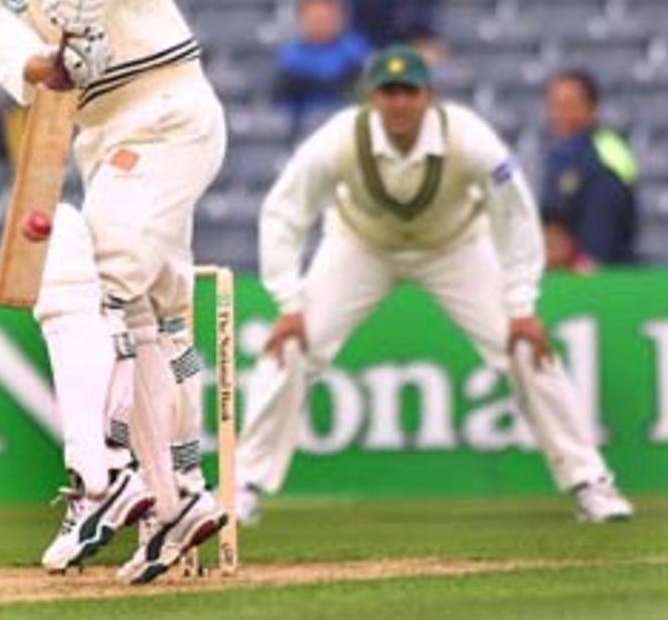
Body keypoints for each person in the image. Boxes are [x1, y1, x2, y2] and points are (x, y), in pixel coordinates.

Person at [0, 0, 229, 584]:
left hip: (170, 109)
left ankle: (101, 472)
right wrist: (53, 61)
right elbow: (14, 62)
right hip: (99, 136)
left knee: (90, 273)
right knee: (152, 314)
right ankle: (179, 502)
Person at [234, 45, 633, 527]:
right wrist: (289, 302)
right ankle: (242, 487)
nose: (399, 102)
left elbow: (516, 216)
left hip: (455, 246)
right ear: (371, 98)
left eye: (409, 91)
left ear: (429, 96)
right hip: (361, 244)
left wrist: (522, 304)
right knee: (289, 347)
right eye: (388, 92)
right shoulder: (338, 140)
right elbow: (284, 213)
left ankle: (592, 482)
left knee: (527, 348)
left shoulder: (472, 140)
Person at [541, 69, 639, 266]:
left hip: (605, 278)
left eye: (568, 105)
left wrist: (587, 261)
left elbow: (603, 226)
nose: (558, 114)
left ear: (591, 109)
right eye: (554, 105)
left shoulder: (605, 154)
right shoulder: (558, 155)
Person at [273, 0, 371, 124]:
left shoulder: (354, 50)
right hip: (302, 126)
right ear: (301, 20)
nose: (319, 23)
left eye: (324, 18)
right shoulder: (290, 55)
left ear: (337, 18)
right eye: (313, 18)